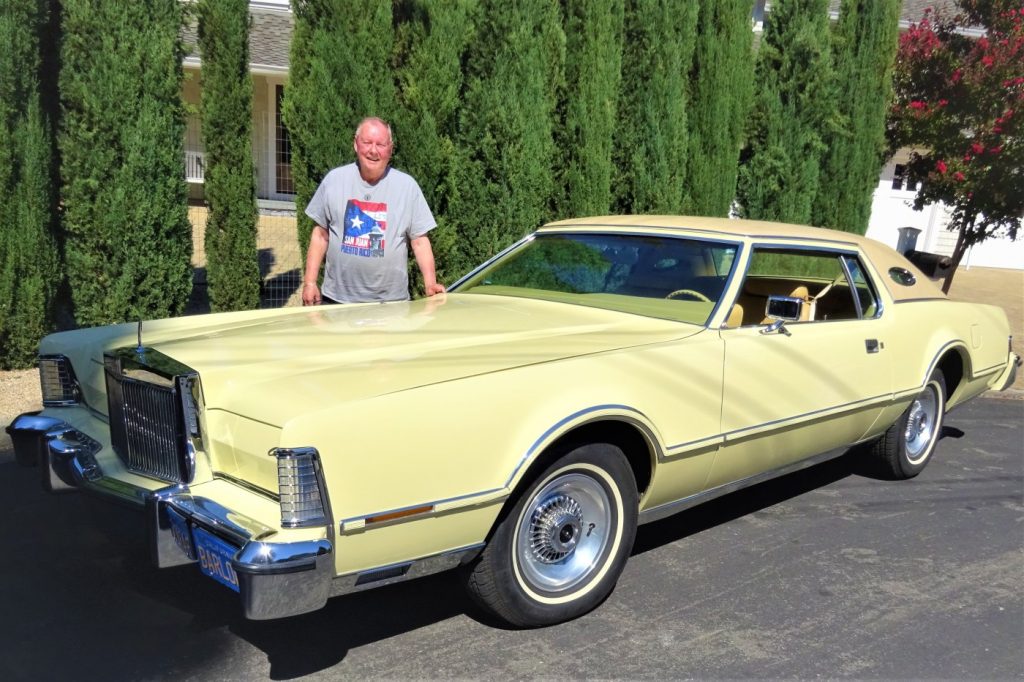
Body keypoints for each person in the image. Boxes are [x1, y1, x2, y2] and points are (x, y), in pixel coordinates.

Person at [301, 117, 445, 305]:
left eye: (381, 144)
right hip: (336, 301)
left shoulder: (407, 187)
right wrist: (310, 282)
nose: (373, 150)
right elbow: (320, 235)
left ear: (390, 149)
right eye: (367, 142)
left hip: (391, 305)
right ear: (356, 144)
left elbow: (419, 241)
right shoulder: (334, 180)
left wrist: (430, 284)